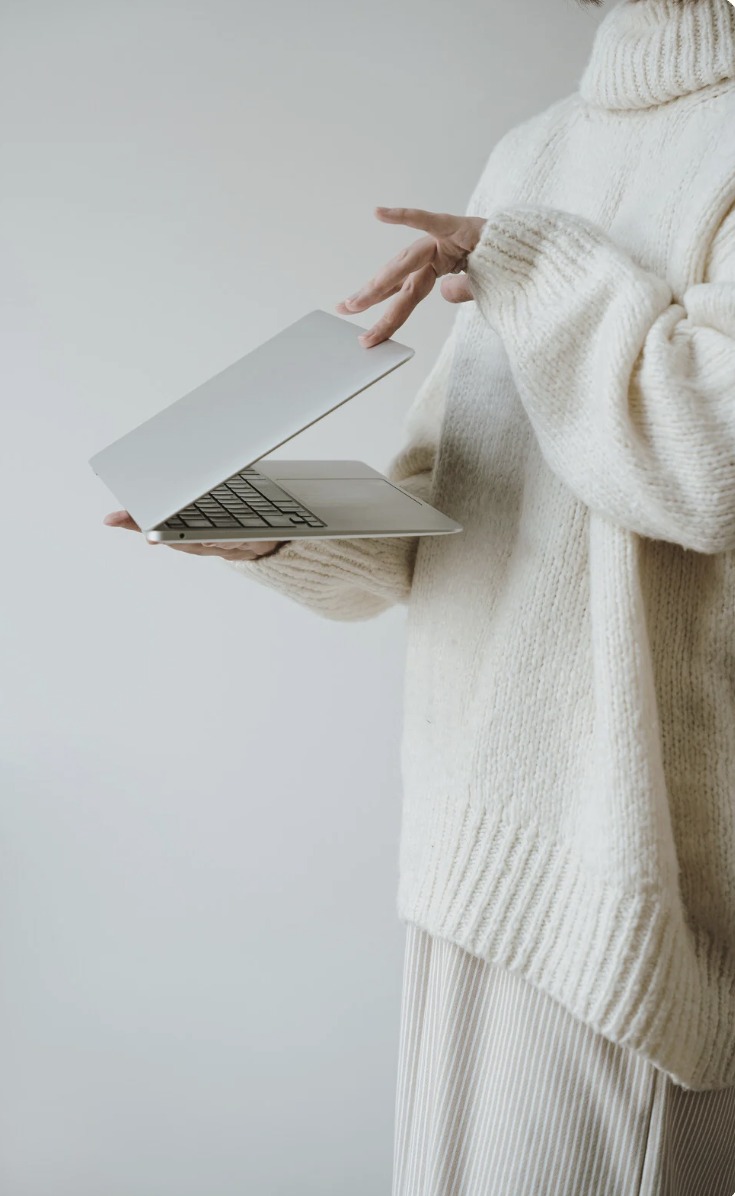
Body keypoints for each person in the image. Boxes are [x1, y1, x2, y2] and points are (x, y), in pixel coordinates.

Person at [105, 0, 735, 1190]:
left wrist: (531, 262)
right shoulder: (532, 149)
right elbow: (455, 505)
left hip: (628, 880)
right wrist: (266, 524)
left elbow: (710, 464)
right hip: (472, 846)